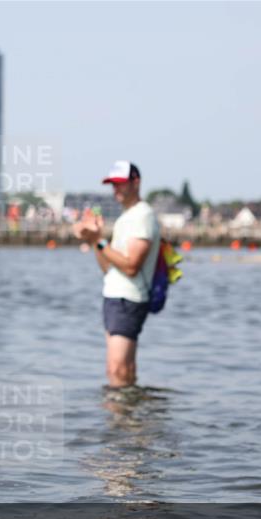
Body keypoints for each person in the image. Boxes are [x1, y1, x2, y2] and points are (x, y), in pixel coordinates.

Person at [73, 160, 160, 388]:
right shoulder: (127, 217)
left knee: (117, 370)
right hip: (117, 297)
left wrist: (99, 242)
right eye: (113, 184)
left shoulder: (142, 216)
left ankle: (123, 420)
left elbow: (131, 266)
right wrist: (96, 239)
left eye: (121, 183)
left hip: (128, 299)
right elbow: (108, 268)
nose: (116, 189)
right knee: (121, 369)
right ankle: (128, 417)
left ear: (136, 182)